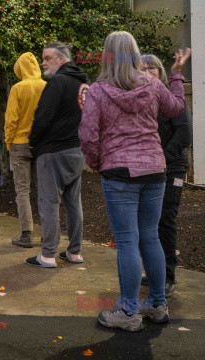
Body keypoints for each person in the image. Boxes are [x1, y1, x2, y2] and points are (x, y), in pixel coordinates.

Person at [79, 30, 190, 331]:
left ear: (107, 54)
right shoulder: (153, 84)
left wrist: (95, 162)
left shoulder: (99, 91)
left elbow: (88, 134)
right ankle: (156, 304)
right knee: (150, 236)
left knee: (127, 240)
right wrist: (177, 76)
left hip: (119, 172)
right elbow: (177, 108)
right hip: (155, 169)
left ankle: (129, 312)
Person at [25, 43, 88, 267]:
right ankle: (74, 252)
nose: (43, 63)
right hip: (76, 150)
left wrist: (33, 142)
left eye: (47, 58)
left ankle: (48, 255)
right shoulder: (83, 83)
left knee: (49, 202)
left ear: (61, 59)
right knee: (73, 202)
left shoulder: (57, 82)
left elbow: (43, 116)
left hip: (53, 152)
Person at [140, 54, 192, 298]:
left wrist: (161, 156)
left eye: (152, 68)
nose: (148, 71)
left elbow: (184, 135)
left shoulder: (170, 97)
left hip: (172, 169)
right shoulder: (140, 99)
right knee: (149, 223)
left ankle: (168, 276)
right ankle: (154, 272)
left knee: (165, 220)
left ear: (160, 71)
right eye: (143, 68)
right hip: (151, 168)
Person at [4, 52, 47, 248]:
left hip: (20, 143)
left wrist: (8, 142)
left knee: (22, 190)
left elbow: (11, 119)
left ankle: (26, 234)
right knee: (44, 190)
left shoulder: (18, 88)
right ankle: (48, 233)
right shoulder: (47, 86)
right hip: (42, 143)